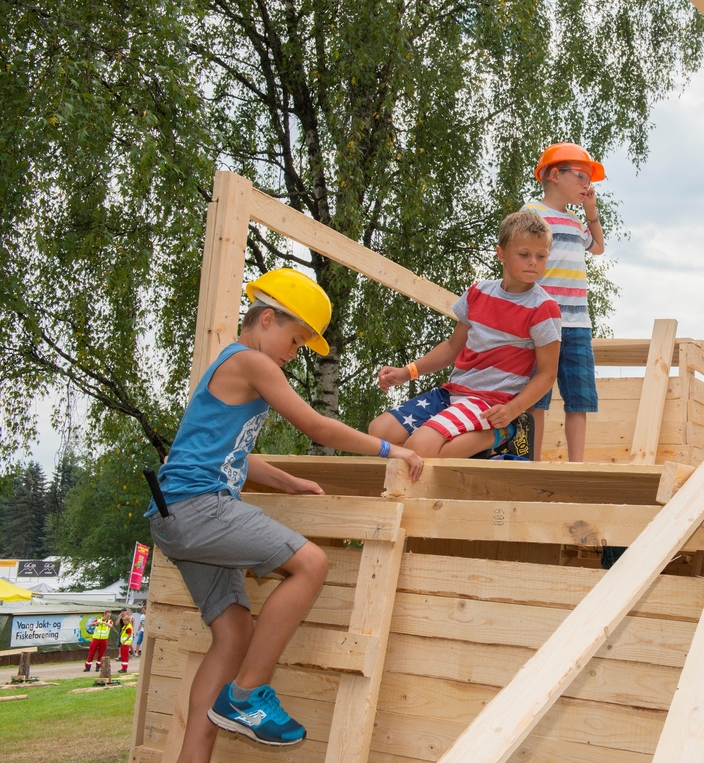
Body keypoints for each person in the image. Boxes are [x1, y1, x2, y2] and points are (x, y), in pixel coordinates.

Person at [147, 267, 424, 758]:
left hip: (174, 514)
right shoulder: (253, 363)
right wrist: (389, 450)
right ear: (268, 319)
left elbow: (232, 457)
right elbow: (318, 427)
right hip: (200, 508)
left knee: (233, 633)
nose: (293, 355)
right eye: (295, 341)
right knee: (311, 563)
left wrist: (287, 481)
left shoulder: (227, 368)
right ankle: (247, 696)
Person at [370, 211, 562, 460]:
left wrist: (512, 409)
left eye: (541, 256)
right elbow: (452, 348)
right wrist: (406, 373)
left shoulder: (543, 308)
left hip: (491, 402)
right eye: (524, 254)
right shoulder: (478, 292)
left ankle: (502, 433)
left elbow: (547, 374)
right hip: (452, 393)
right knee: (379, 432)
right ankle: (461, 441)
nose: (533, 262)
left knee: (418, 448)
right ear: (501, 254)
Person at [522, 143, 606, 461]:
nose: (588, 184)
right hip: (542, 321)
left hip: (578, 324)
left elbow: (597, 246)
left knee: (579, 399)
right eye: (581, 176)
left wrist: (590, 209)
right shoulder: (532, 215)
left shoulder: (573, 221)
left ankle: (576, 467)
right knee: (536, 398)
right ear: (555, 175)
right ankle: (532, 463)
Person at [117, 609, 134, 673]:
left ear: (128, 620)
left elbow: (129, 635)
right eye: (123, 620)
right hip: (123, 643)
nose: (123, 621)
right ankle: (123, 667)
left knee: (125, 656)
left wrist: (125, 641)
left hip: (126, 643)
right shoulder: (125, 626)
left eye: (124, 620)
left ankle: (124, 668)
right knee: (123, 656)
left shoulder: (129, 627)